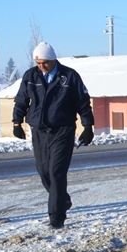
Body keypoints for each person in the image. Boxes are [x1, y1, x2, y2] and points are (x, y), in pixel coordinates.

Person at [12, 42, 94, 229]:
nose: (41, 66)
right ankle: (62, 199)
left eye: (45, 63)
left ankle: (56, 216)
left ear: (53, 59)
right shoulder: (31, 76)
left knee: (57, 172)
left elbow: (83, 103)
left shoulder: (69, 76)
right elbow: (21, 100)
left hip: (62, 130)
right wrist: (17, 122)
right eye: (38, 63)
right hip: (39, 130)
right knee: (44, 172)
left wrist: (88, 126)